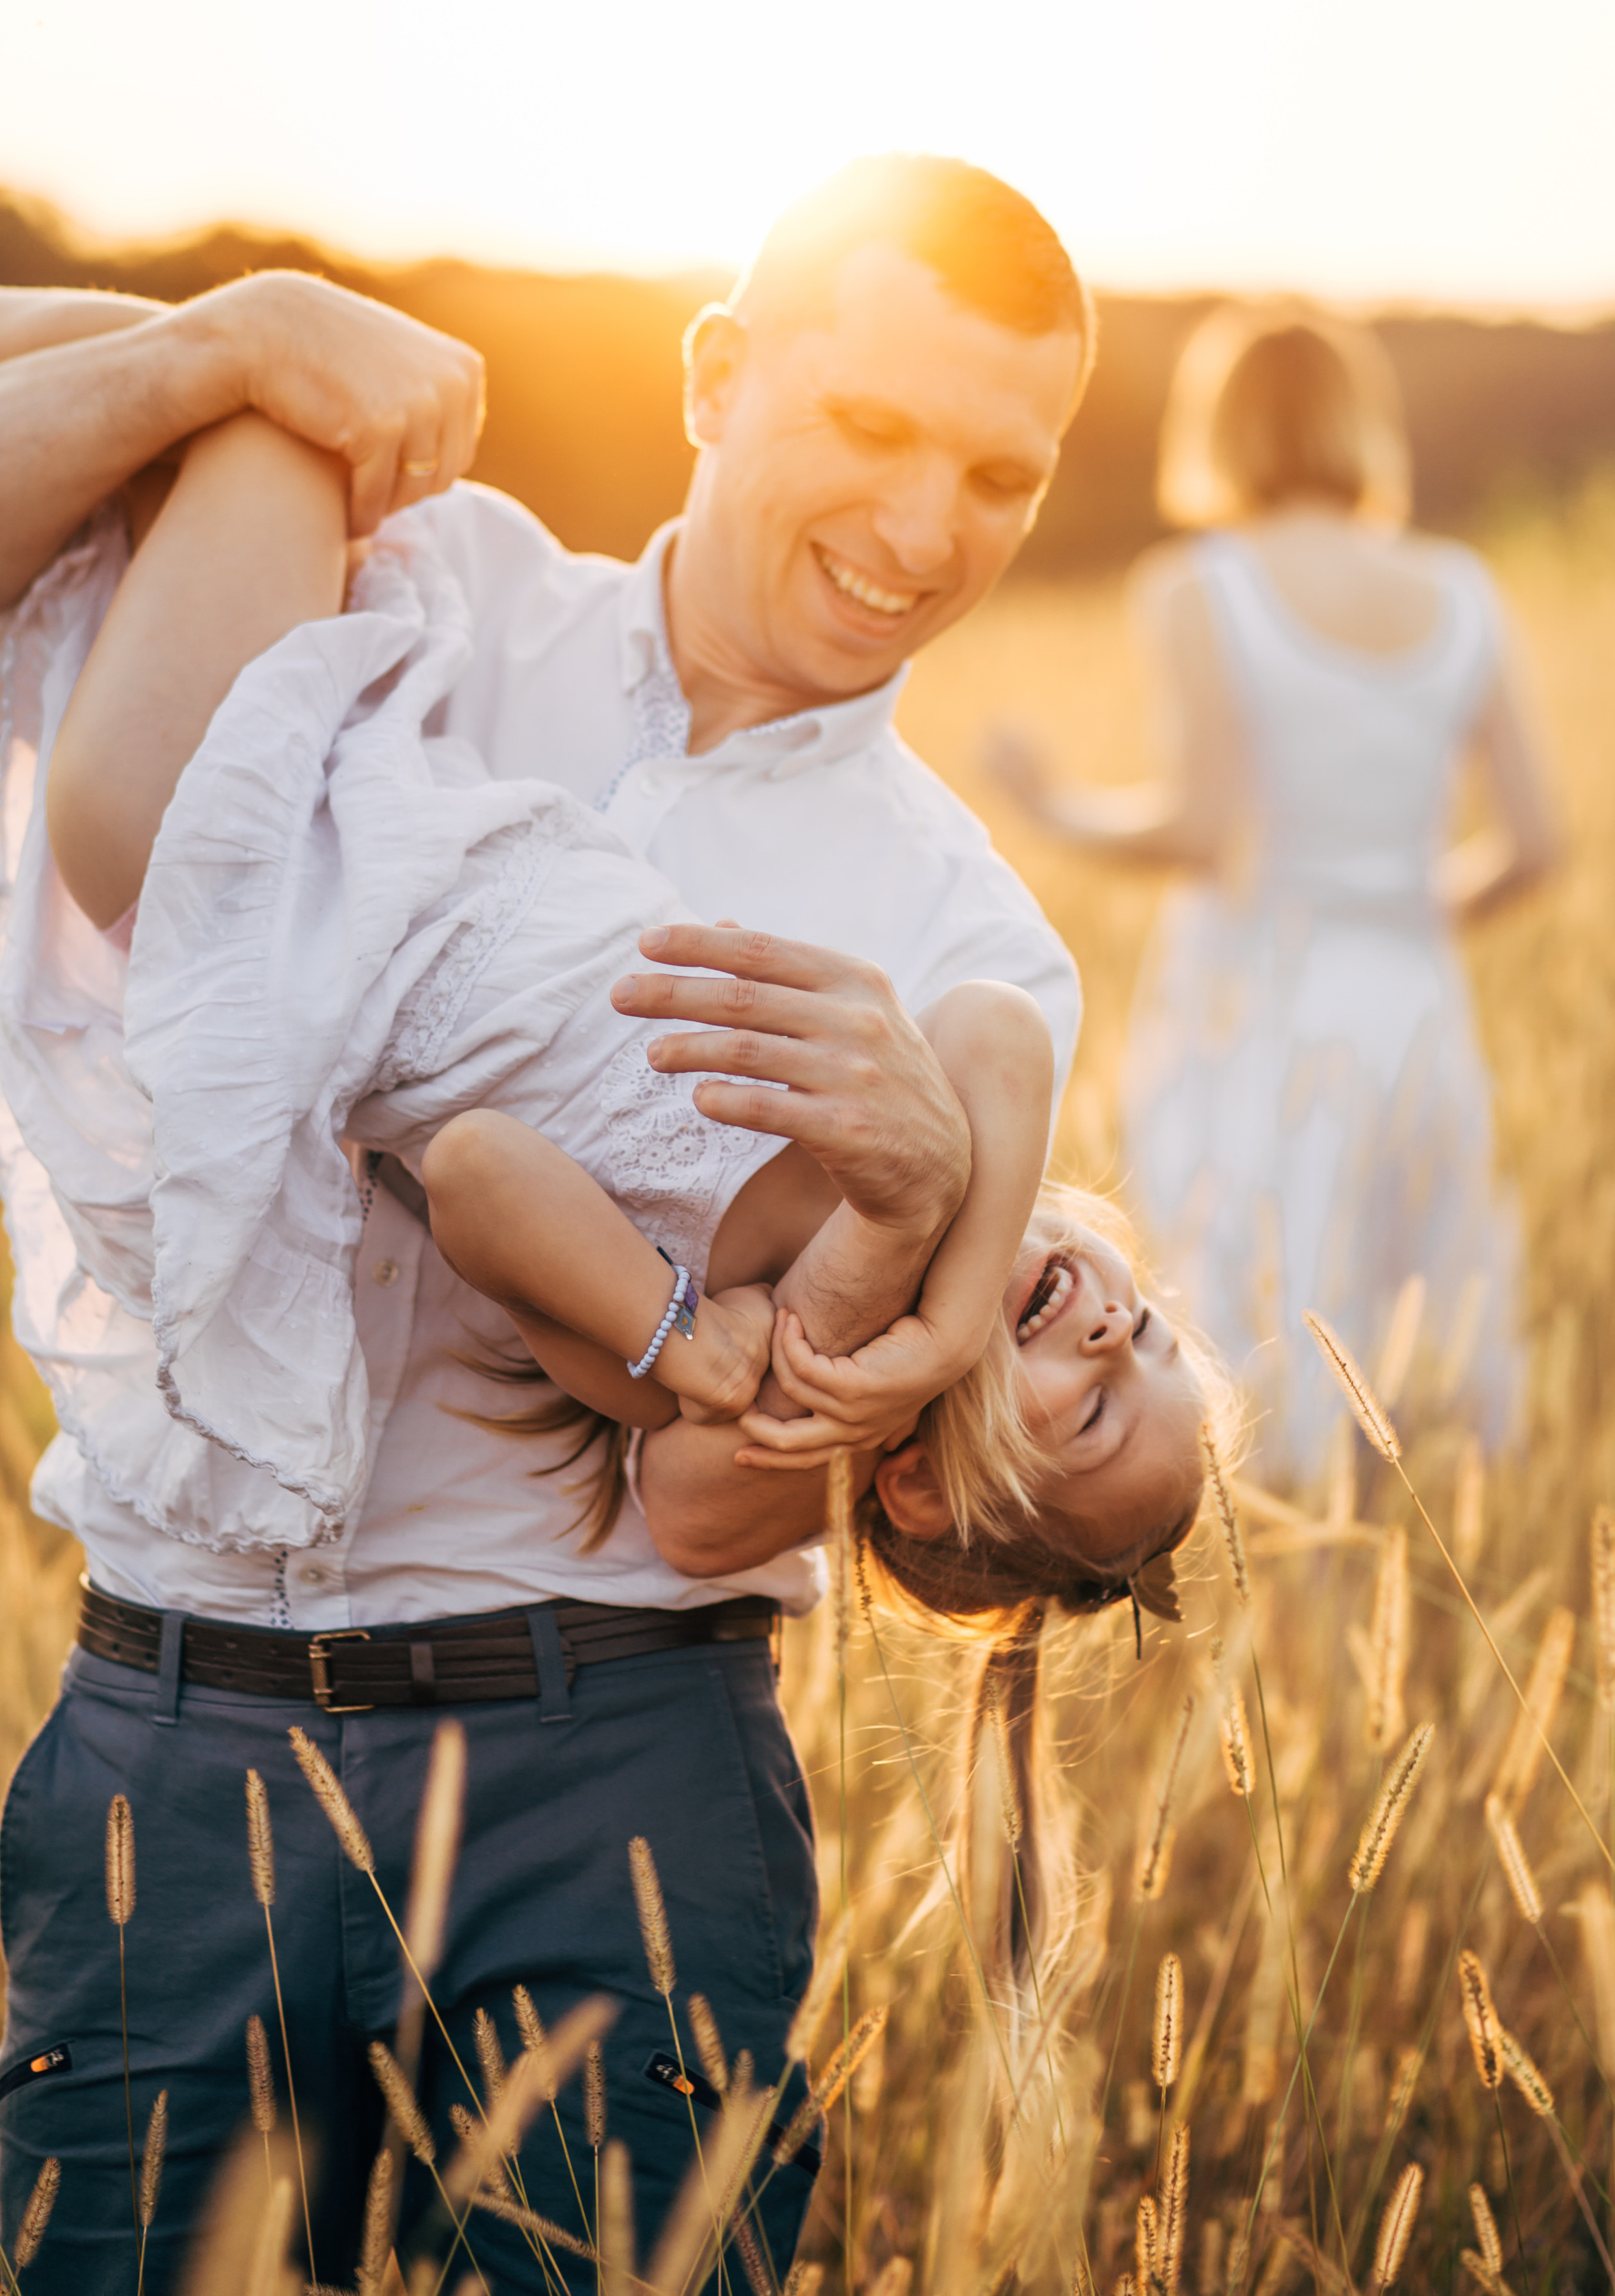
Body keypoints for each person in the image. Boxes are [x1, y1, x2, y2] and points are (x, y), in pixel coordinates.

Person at [0, 156, 1104, 2292]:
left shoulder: (971, 956)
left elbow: (714, 1512)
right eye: (870, 426)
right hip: (173, 1724)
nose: (926, 526)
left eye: (1001, 472)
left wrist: (902, 1194)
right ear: (714, 376)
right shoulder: (411, 574)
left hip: (604, 1773)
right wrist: (233, 332)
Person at [988, 299, 1561, 1475]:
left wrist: (1051, 807)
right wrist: (1396, 914)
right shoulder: (1464, 591)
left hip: (1261, 993)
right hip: (1412, 993)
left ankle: (1293, 1604)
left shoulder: (1203, 585)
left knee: (1257, 1297)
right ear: (1362, 423)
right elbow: (1537, 844)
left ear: (1224, 430)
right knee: (1422, 1304)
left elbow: (1202, 829)